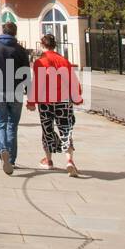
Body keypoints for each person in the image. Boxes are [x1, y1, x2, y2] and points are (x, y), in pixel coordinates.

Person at [26, 32, 83, 176]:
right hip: (63, 101)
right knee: (65, 129)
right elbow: (73, 81)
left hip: (45, 101)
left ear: (42, 45)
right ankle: (69, 160)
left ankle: (49, 160)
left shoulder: (40, 62)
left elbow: (37, 84)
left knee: (47, 129)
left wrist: (32, 102)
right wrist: (77, 97)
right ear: (54, 45)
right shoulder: (64, 61)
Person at [0, 20, 30, 175]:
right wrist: (30, 93)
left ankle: (2, 149)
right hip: (16, 91)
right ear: (15, 33)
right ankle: (11, 159)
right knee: (12, 125)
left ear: (3, 31)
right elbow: (26, 73)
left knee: (0, 123)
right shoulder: (21, 49)